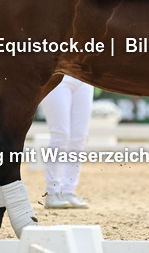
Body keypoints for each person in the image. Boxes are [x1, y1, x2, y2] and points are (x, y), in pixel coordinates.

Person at [40, 75, 94, 209]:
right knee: (60, 135)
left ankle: (68, 190)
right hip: (57, 75)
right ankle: (52, 191)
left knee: (79, 137)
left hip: (84, 77)